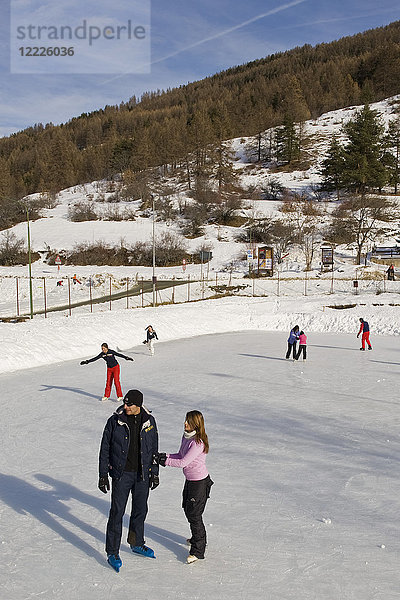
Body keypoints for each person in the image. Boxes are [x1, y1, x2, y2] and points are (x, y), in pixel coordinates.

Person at [98, 389, 159, 572]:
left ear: (138, 405)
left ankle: (136, 543)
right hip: (121, 474)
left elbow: (154, 448)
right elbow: (104, 449)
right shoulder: (115, 421)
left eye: (129, 404)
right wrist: (102, 475)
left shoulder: (149, 421)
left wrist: (154, 472)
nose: (125, 407)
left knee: (140, 510)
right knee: (117, 512)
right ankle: (112, 551)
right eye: (125, 403)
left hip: (142, 474)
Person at [154, 410, 213, 564]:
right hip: (190, 481)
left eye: (189, 421)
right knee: (187, 509)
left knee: (194, 514)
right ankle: (196, 537)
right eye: (185, 420)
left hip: (199, 483)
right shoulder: (186, 437)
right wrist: (164, 455)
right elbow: (180, 455)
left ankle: (198, 549)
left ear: (196, 424)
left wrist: (164, 462)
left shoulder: (198, 443)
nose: (185, 423)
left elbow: (182, 463)